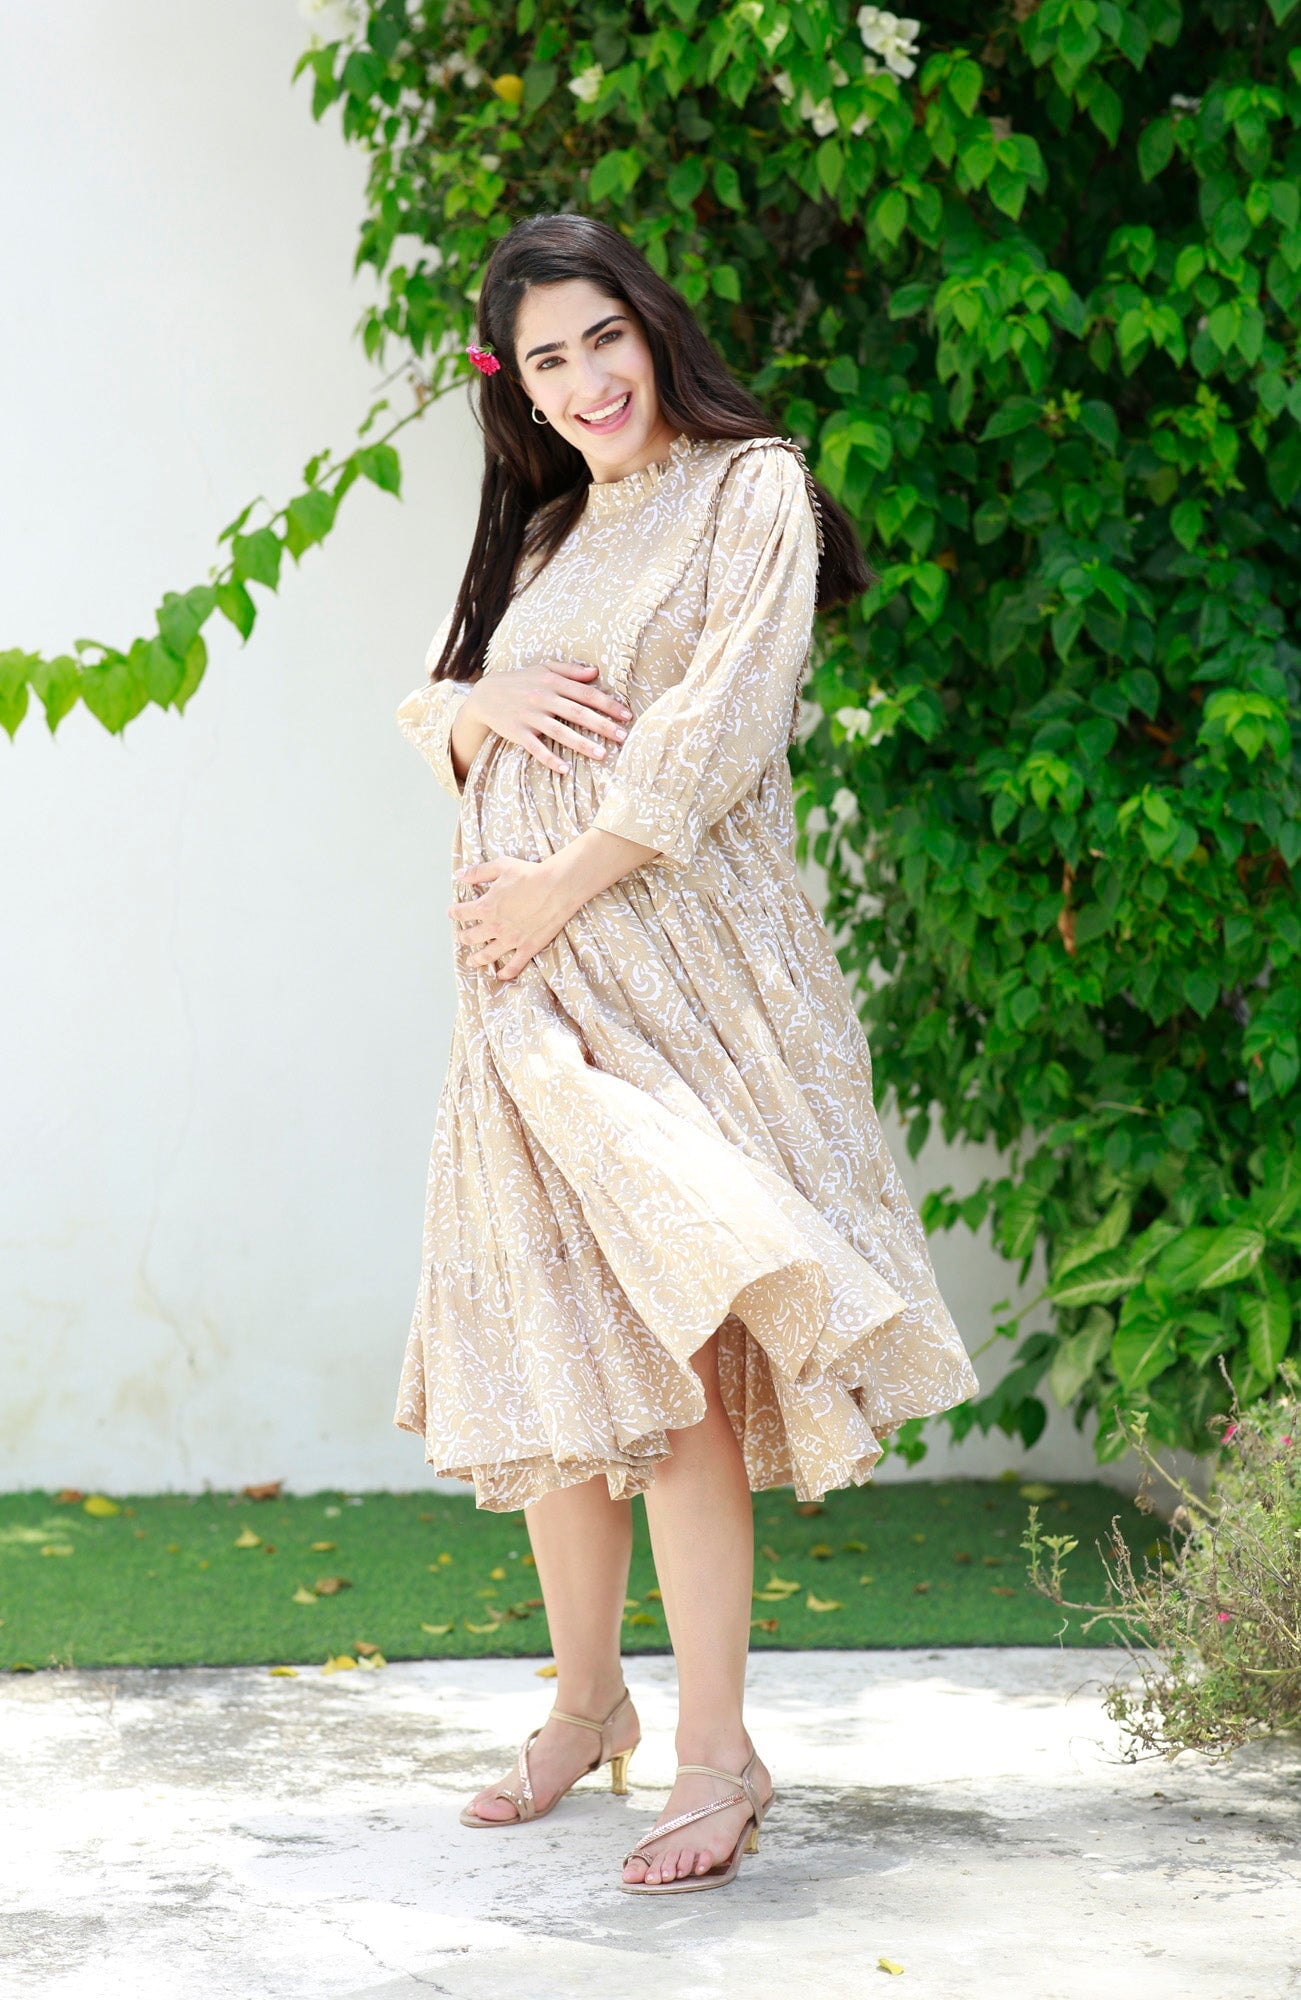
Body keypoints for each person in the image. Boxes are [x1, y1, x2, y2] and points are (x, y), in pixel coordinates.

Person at [393, 213, 979, 1894]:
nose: (588, 380)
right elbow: (433, 702)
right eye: (550, 358)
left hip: (682, 992)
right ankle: (586, 1705)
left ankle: (717, 1753)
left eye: (605, 337)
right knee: (558, 1351)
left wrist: (551, 888)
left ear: (650, 326)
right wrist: (469, 711)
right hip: (522, 1003)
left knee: (676, 1363)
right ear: (519, 386)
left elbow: (714, 734)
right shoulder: (546, 533)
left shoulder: (750, 490)